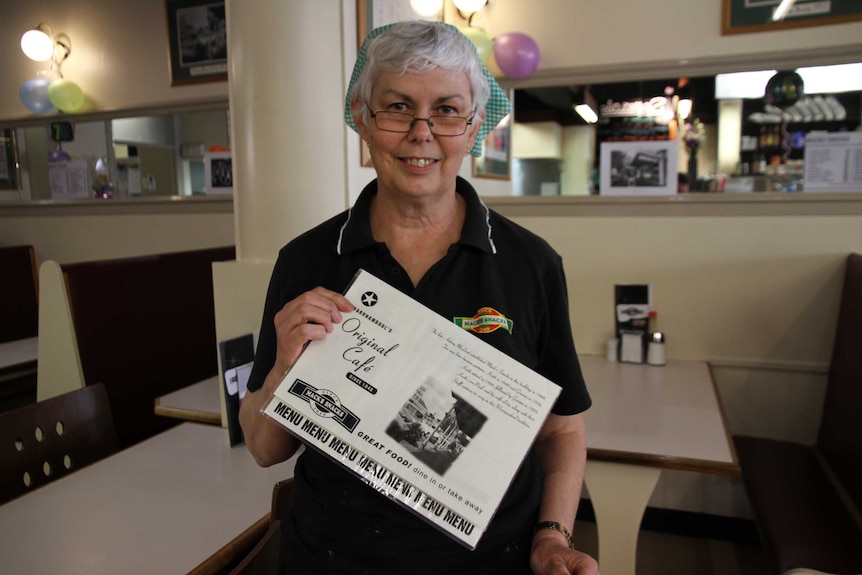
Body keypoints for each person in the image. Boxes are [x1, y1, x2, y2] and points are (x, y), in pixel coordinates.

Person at [239, 20, 598, 575]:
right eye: (398, 107)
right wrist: (285, 368)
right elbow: (265, 449)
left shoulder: (531, 265)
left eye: (448, 110)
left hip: (490, 561)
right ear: (362, 119)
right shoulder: (307, 260)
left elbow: (562, 427)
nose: (422, 132)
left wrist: (552, 537)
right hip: (334, 559)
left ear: (475, 124)